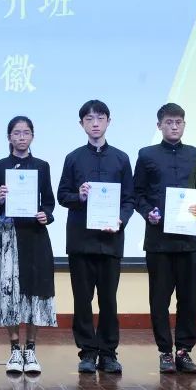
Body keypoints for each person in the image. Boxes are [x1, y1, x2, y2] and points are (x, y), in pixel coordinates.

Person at [56, 99, 134, 374]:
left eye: (100, 118)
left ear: (108, 122)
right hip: (81, 241)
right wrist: (79, 196)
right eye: (89, 119)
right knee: (82, 299)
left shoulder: (121, 159)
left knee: (109, 300)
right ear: (82, 124)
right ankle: (87, 352)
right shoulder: (73, 158)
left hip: (111, 241)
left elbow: (129, 199)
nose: (95, 123)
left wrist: (121, 219)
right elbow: (62, 195)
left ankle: (109, 353)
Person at [133, 103, 196, 374]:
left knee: (189, 299)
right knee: (159, 299)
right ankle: (165, 351)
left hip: (190, 242)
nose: (174, 126)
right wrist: (148, 213)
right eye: (169, 122)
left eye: (178, 122)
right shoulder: (146, 155)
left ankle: (184, 351)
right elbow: (138, 193)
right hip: (159, 241)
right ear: (159, 126)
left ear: (184, 125)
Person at [0, 116, 56, 375]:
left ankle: (31, 350)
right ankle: (15, 349)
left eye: (26, 132)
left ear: (32, 136)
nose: (21, 137)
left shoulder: (42, 166)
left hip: (35, 234)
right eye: (16, 133)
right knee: (9, 291)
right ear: (9, 137)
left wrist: (46, 215)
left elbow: (49, 202)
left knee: (35, 290)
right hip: (9, 234)